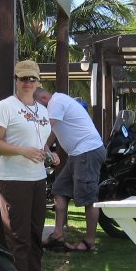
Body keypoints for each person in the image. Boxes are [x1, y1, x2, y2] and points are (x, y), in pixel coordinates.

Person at [0, 60, 64, 271]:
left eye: (33, 79)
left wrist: (49, 153)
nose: (28, 83)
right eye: (24, 79)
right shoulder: (5, 107)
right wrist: (23, 151)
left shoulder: (41, 110)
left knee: (34, 234)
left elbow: (38, 144)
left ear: (39, 81)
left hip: (37, 179)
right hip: (13, 181)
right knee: (18, 237)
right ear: (16, 79)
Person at [33, 86, 106, 252]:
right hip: (78, 153)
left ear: (43, 99)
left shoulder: (56, 102)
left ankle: (89, 241)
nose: (36, 110)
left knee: (89, 198)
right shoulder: (58, 102)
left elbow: (46, 128)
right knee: (59, 189)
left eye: (36, 106)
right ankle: (57, 235)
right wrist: (46, 149)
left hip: (87, 152)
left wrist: (43, 147)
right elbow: (50, 133)